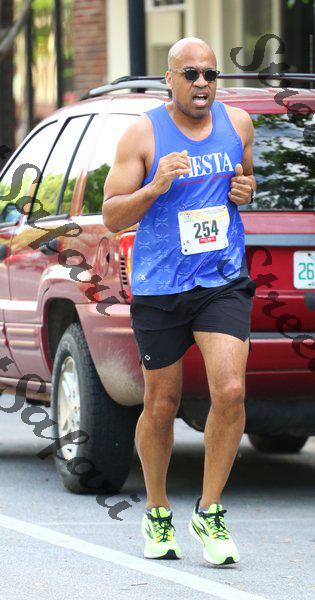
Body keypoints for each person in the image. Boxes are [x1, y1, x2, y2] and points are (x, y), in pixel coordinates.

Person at [103, 36, 256, 566]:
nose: (202, 83)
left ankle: (209, 511)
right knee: (161, 404)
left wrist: (246, 191)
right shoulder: (143, 133)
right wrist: (155, 187)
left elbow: (246, 180)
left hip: (221, 279)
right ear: (169, 79)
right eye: (191, 74)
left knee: (230, 391)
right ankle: (158, 511)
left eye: (211, 74)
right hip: (161, 286)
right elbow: (112, 215)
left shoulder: (239, 125)